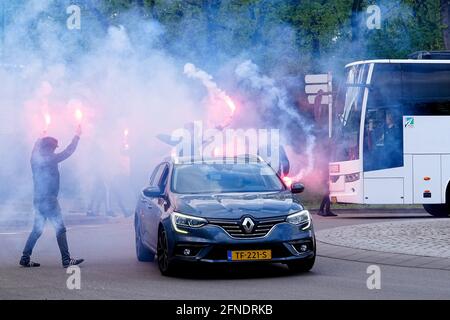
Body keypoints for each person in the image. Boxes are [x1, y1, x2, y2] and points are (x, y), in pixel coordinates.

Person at [20, 126, 85, 268]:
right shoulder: (51, 158)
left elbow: (33, 150)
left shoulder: (34, 160)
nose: (55, 149)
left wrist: (39, 138)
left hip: (38, 199)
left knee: (37, 229)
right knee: (60, 229)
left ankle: (25, 257)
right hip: (49, 200)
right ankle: (66, 259)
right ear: (51, 148)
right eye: (54, 147)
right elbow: (69, 151)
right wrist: (77, 136)